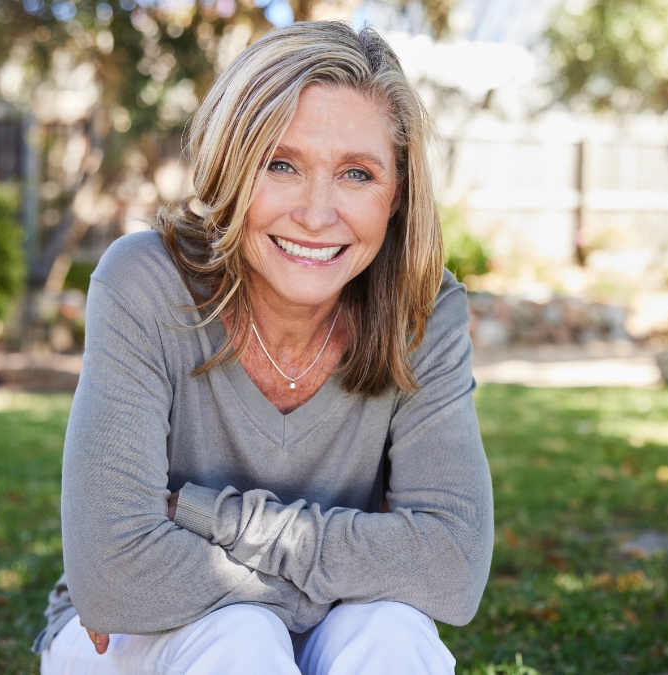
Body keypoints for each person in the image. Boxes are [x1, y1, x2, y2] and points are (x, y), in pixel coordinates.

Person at [33, 20, 494, 675]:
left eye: (357, 173)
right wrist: (368, 562)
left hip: (333, 623)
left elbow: (452, 565)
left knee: (393, 633)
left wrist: (200, 512)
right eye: (281, 164)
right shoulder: (144, 282)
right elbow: (114, 577)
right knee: (243, 638)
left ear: (396, 196)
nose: (315, 212)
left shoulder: (425, 311)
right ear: (232, 167)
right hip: (146, 632)